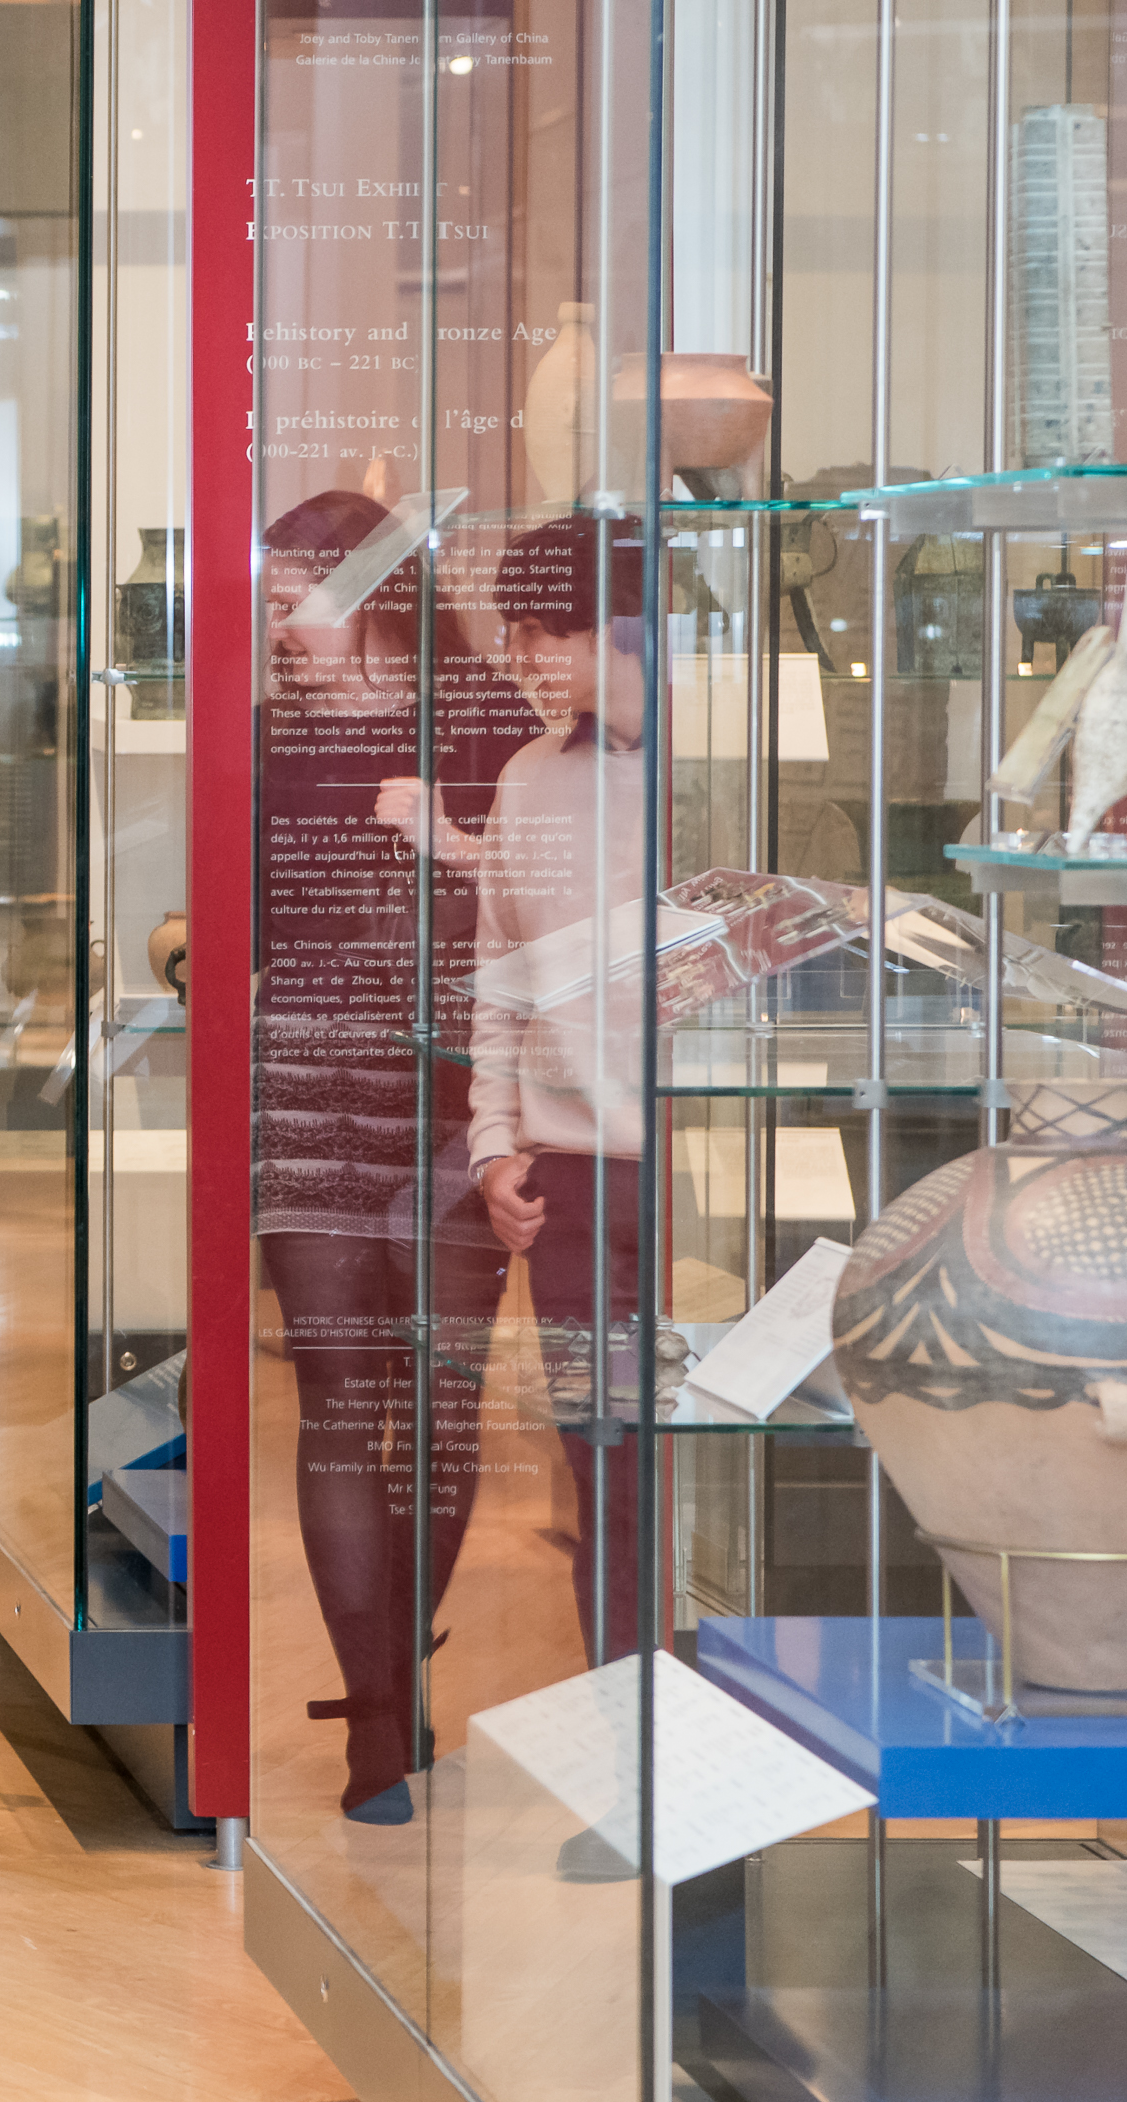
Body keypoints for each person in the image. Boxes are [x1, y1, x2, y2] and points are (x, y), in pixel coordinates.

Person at [252, 491, 532, 1825]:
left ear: (366, 589)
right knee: (334, 1385)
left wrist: (456, 846)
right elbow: (237, 912)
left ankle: (390, 1664)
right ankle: (375, 1718)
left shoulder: (481, 720)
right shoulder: (269, 737)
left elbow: (560, 904)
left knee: (437, 1399)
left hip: (452, 1083)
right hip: (303, 1079)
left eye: (288, 593)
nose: (270, 620)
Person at [465, 510, 659, 1669]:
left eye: (546, 632)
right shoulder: (529, 780)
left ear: (620, 629)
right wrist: (494, 1147)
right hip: (576, 1195)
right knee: (604, 1475)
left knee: (706, 1480)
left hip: (702, 1178)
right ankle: (626, 1749)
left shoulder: (719, 777)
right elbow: (501, 985)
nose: (525, 657)